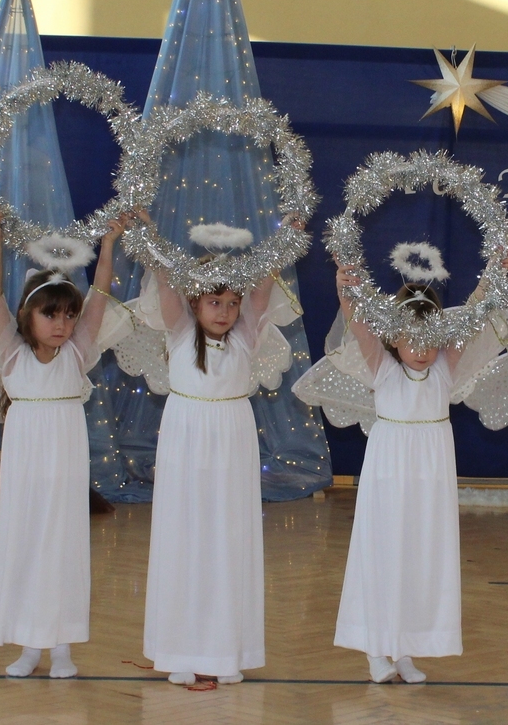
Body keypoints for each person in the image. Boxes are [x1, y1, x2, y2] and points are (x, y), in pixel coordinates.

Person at [323, 257, 507, 684]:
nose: (422, 351)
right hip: (390, 471)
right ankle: (376, 648)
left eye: (430, 341)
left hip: (431, 475)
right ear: (393, 338)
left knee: (420, 555)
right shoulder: (383, 367)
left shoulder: (444, 369)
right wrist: (345, 285)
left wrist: (493, 273)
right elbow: (358, 322)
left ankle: (405, 647)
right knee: (383, 552)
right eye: (412, 340)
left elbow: (475, 315)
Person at [141, 214, 304, 687]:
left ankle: (226, 650)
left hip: (231, 439)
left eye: (233, 303)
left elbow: (264, 287)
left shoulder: (246, 336)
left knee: (228, 540)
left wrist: (287, 237)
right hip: (186, 437)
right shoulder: (179, 330)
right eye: (215, 302)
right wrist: (148, 232)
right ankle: (179, 651)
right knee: (185, 538)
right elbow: (165, 279)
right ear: (194, 302)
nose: (225, 311)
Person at [0, 206, 128, 678]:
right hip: (25, 468)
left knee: (62, 545)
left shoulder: (76, 353)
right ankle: (28, 645)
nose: (61, 324)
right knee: (24, 544)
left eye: (68, 315)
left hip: (64, 466)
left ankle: (61, 647)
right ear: (27, 315)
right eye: (50, 314)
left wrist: (108, 244)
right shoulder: (10, 353)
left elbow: (100, 293)